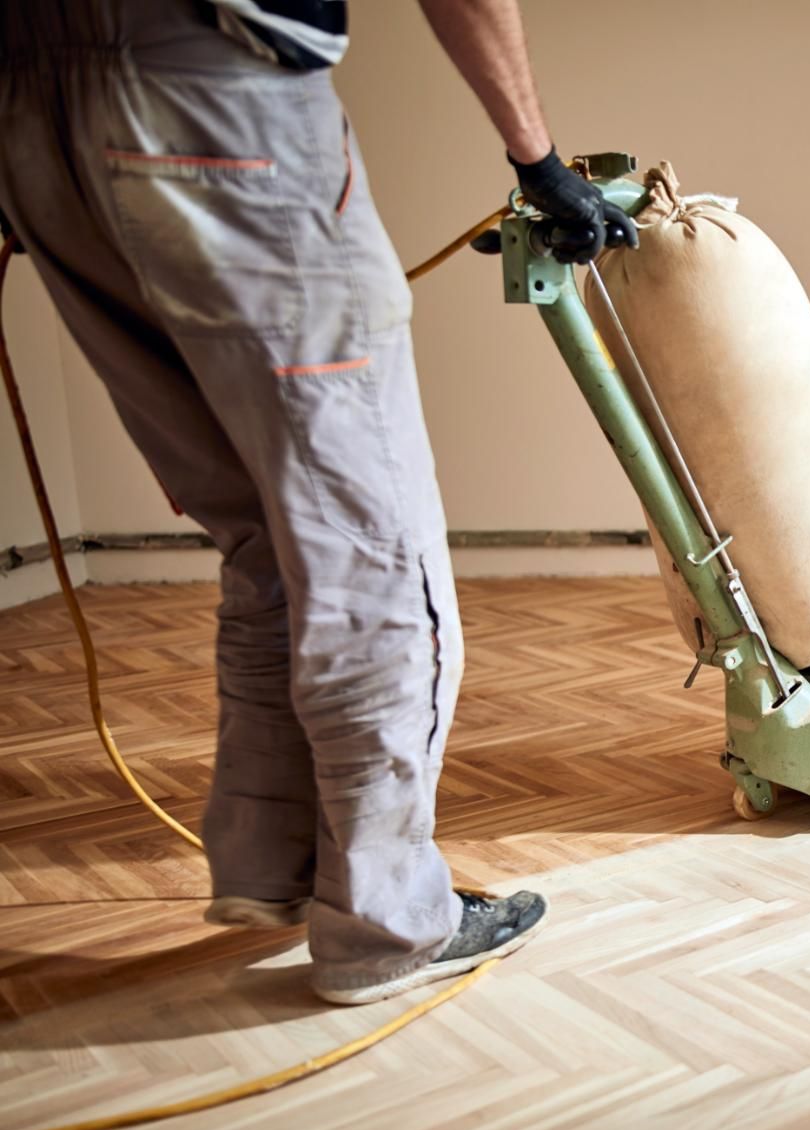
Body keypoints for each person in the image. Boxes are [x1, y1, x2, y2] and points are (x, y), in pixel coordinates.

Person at [0, 0, 633, 1004]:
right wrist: (537, 158)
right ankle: (388, 926)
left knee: (262, 526)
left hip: (33, 113)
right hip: (212, 99)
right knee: (367, 537)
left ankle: (269, 865)